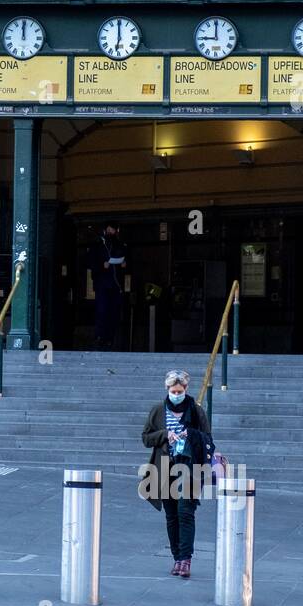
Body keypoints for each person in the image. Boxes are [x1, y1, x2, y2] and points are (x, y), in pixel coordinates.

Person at [140, 369, 214, 579]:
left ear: (186, 389)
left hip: (190, 467)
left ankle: (185, 559)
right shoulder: (157, 411)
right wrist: (165, 435)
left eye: (180, 390)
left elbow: (208, 438)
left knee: (185, 511)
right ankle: (176, 559)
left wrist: (189, 434)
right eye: (173, 390)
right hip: (164, 467)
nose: (176, 394)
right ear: (167, 389)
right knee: (171, 514)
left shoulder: (196, 411)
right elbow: (146, 438)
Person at [87, 223, 127, 350]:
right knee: (102, 311)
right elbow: (90, 263)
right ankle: (100, 337)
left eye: (113, 229)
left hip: (116, 285)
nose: (111, 231)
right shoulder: (98, 246)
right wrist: (101, 266)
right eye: (109, 229)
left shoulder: (120, 245)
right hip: (102, 284)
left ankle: (110, 338)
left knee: (113, 313)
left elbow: (127, 260)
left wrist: (125, 265)